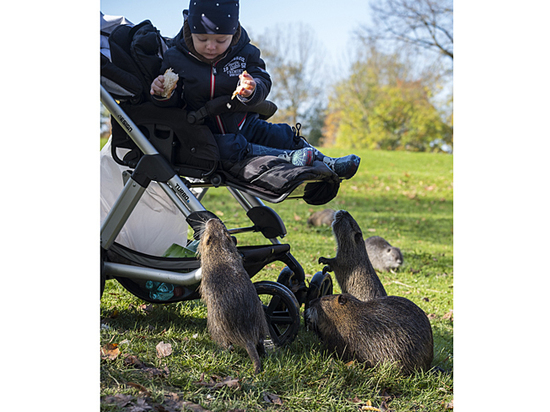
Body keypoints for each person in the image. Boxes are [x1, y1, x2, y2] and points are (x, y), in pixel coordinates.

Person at [150, 0, 360, 179]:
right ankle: (286, 158)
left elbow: (262, 79)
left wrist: (252, 89)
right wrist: (162, 93)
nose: (211, 46)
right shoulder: (175, 57)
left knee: (283, 133)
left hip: (244, 122)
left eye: (221, 40)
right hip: (205, 135)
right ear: (190, 29)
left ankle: (326, 161)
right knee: (231, 146)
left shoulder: (246, 53)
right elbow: (173, 103)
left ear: (233, 33)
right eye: (202, 39)